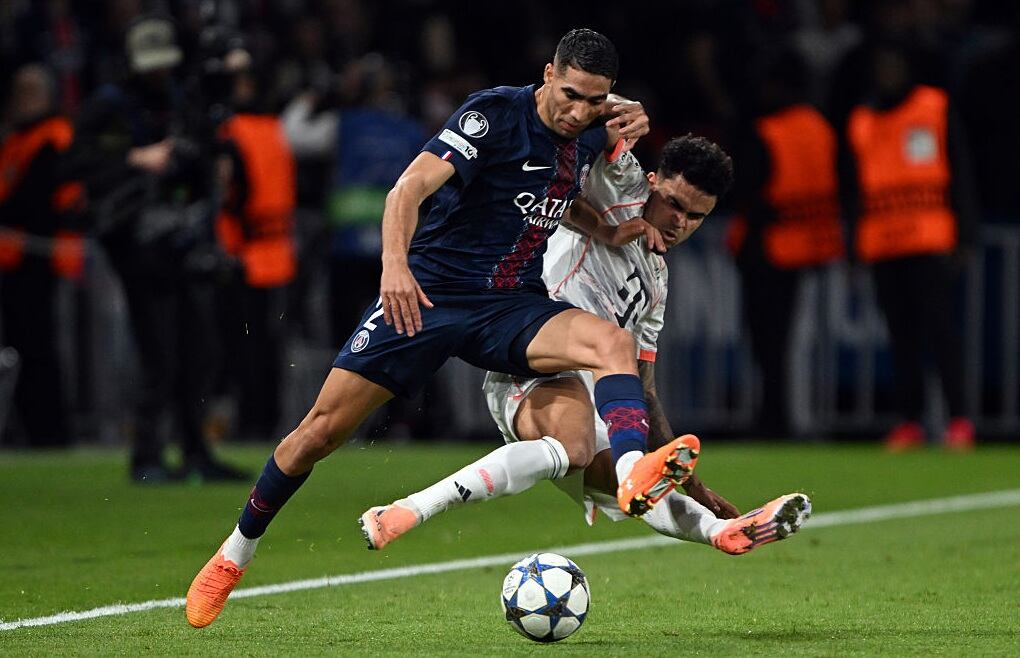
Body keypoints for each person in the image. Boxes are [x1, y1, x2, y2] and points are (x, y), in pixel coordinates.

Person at [185, 28, 687, 628]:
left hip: (508, 304)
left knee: (614, 342)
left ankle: (633, 473)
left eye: (594, 101)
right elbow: (408, 189)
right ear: (548, 74)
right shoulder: (493, 114)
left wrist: (602, 229)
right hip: (426, 297)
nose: (578, 112)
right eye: (571, 94)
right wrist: (395, 267)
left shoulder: (588, 135)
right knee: (317, 434)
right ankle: (233, 554)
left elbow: (555, 195)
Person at [359, 135, 812, 555]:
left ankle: (722, 531)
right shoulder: (618, 189)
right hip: (530, 343)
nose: (679, 221)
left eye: (695, 216)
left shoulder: (656, 283)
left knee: (616, 477)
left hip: (593, 389)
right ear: (652, 183)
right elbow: (579, 116)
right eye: (673, 203)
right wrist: (625, 108)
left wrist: (697, 488)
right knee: (579, 447)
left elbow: (645, 391)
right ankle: (412, 508)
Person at [65, 15, 247, 481]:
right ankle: (146, 454)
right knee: (158, 351)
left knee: (197, 348)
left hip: (180, 235)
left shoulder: (179, 100)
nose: (157, 73)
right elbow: (73, 162)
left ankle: (194, 451)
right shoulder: (109, 105)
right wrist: (134, 158)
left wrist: (217, 161)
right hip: (135, 242)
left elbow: (198, 155)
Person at [841, 42, 978, 451]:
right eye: (881, 66)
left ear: (907, 68)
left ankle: (959, 419)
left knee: (941, 333)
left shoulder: (933, 107)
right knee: (901, 336)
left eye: (893, 65)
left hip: (928, 237)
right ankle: (911, 421)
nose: (887, 74)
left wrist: (966, 233)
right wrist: (853, 249)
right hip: (883, 241)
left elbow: (961, 171)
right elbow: (853, 191)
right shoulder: (862, 120)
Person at [727, 48, 844, 437]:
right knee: (793, 344)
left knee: (768, 343)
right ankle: (788, 418)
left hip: (768, 249)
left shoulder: (768, 130)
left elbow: (748, 191)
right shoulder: (819, 127)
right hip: (810, 246)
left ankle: (773, 420)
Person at [0, 64, 84, 447]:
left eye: (30, 92)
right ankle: (33, 427)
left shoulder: (53, 138)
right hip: (20, 260)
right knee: (28, 346)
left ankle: (50, 431)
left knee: (42, 348)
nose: (21, 101)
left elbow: (34, 203)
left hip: (43, 260)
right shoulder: (22, 138)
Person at [215, 65, 297, 440]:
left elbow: (228, 192)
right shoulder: (275, 128)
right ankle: (266, 420)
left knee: (243, 345)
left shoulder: (231, 131)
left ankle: (250, 422)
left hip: (243, 251)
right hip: (277, 250)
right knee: (269, 346)